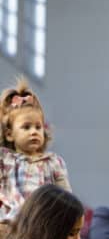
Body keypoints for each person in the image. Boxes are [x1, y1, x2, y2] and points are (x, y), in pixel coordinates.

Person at [0, 79, 71, 219]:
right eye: (26, 127)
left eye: (38, 127)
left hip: (43, 223)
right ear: (9, 134)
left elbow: (66, 196)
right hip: (12, 223)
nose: (34, 132)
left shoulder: (53, 162)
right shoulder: (4, 159)